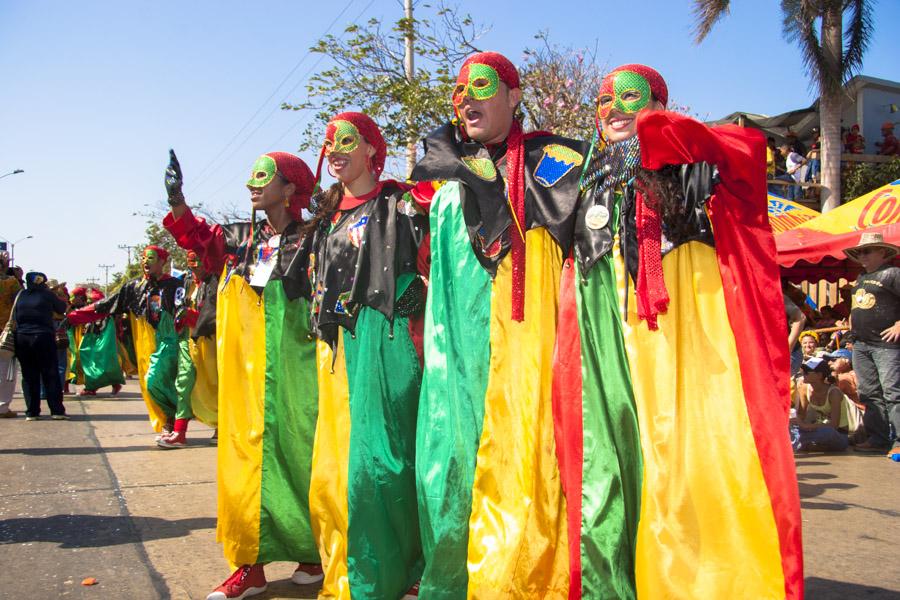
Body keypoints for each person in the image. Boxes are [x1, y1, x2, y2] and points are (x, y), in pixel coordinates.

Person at [554, 64, 802, 598]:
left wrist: (673, 140)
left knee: (677, 457)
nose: (612, 108)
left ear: (657, 103)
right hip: (603, 331)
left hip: (674, 335)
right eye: (603, 100)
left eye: (628, 97)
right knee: (605, 464)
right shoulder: (585, 177)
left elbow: (742, 157)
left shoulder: (687, 165)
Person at [410, 51, 586, 598]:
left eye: (482, 87)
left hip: (524, 350)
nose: (466, 99)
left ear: (514, 97)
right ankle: (451, 581)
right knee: (448, 469)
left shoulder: (552, 165)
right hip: (455, 360)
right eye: (459, 91)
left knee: (519, 469)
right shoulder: (446, 188)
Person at [162, 149, 322, 600]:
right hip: (249, 374)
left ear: (289, 188)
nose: (252, 184)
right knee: (245, 465)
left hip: (301, 370)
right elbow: (196, 236)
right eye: (251, 176)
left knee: (302, 457)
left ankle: (311, 553)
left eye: (263, 177)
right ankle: (248, 567)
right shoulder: (238, 239)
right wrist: (177, 198)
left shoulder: (314, 236)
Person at [300, 111, 428, 599]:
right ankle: (360, 573)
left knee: (387, 463)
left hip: (389, 340)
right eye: (328, 142)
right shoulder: (326, 218)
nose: (334, 149)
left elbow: (433, 252)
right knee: (340, 473)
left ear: (373, 149)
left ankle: (402, 573)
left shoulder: (400, 201)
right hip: (337, 350)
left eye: (346, 140)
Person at [68, 246, 192, 447]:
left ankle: (174, 421)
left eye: (150, 258)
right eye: (143, 258)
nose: (145, 261)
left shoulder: (174, 285)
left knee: (156, 380)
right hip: (143, 344)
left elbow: (182, 309)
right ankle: (171, 422)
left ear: (162, 261)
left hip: (168, 340)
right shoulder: (134, 287)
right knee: (151, 385)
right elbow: (106, 305)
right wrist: (74, 316)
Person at [843, 232, 900, 455]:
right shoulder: (861, 278)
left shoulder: (893, 274)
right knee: (868, 392)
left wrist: (898, 325)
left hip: (885, 344)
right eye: (859, 252)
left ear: (883, 252)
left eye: (867, 251)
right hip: (861, 343)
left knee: (893, 393)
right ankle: (879, 437)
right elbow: (858, 308)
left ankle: (898, 439)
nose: (862, 255)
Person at [13, 272, 68, 420]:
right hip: (43, 336)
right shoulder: (47, 294)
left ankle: (32, 412)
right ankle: (56, 411)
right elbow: (61, 308)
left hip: (22, 338)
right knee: (50, 373)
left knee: (29, 374)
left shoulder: (20, 295)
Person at [180, 250, 219, 442]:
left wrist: (192, 318)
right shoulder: (188, 284)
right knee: (185, 380)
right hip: (190, 340)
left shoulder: (215, 281)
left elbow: (213, 313)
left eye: (198, 263)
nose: (194, 267)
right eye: (191, 263)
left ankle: (221, 425)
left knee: (214, 382)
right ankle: (177, 428)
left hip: (211, 340)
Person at [792, 357, 854, 451]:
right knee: (790, 430)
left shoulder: (834, 393)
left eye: (806, 372)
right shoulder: (804, 388)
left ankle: (803, 444)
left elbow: (834, 425)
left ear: (819, 375)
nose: (803, 374)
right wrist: (795, 422)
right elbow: (801, 414)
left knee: (827, 433)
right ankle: (808, 444)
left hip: (837, 433)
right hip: (816, 429)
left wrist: (806, 426)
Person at [76, 288, 125, 397]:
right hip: (90, 338)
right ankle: (91, 387)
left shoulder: (107, 317)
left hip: (101, 340)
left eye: (92, 301)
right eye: (89, 302)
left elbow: (108, 333)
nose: (90, 304)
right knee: (88, 360)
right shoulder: (92, 312)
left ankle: (110, 384)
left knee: (105, 362)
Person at [0, 251, 22, 418]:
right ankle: (2, 407)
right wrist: (19, 278)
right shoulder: (10, 282)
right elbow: (21, 300)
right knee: (6, 370)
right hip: (5, 332)